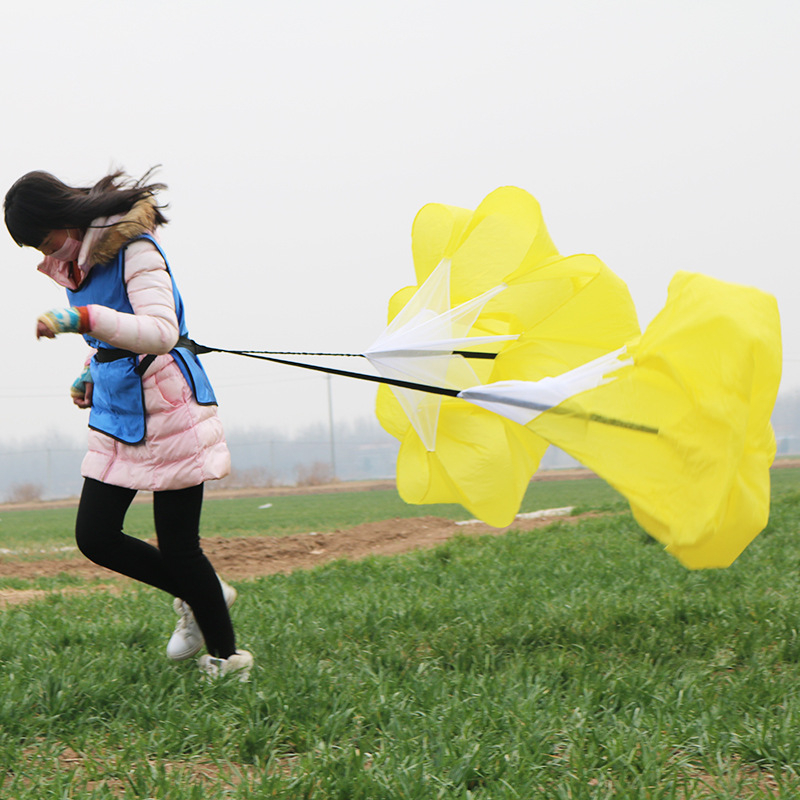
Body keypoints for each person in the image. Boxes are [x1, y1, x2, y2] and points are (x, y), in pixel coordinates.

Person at [4, 168, 252, 681]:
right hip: (119, 409)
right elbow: (114, 337)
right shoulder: (74, 262)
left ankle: (228, 662)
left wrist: (83, 320)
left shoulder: (134, 248)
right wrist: (89, 370)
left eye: (40, 239)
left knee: (180, 547)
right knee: (95, 536)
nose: (42, 252)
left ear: (58, 218)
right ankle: (202, 593)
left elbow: (160, 332)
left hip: (170, 404)